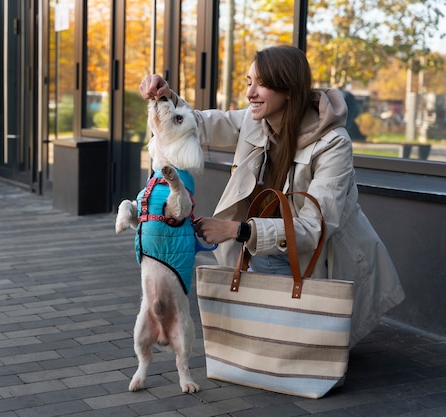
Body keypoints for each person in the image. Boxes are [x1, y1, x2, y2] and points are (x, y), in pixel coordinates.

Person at [138, 45, 405, 348]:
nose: (250, 93)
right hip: (270, 246)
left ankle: (287, 346)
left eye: (260, 84)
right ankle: (273, 345)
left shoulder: (333, 144)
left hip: (320, 255)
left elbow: (314, 227)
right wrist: (166, 97)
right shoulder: (255, 120)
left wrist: (237, 230)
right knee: (262, 309)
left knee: (301, 342)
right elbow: (198, 124)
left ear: (288, 89)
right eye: (248, 82)